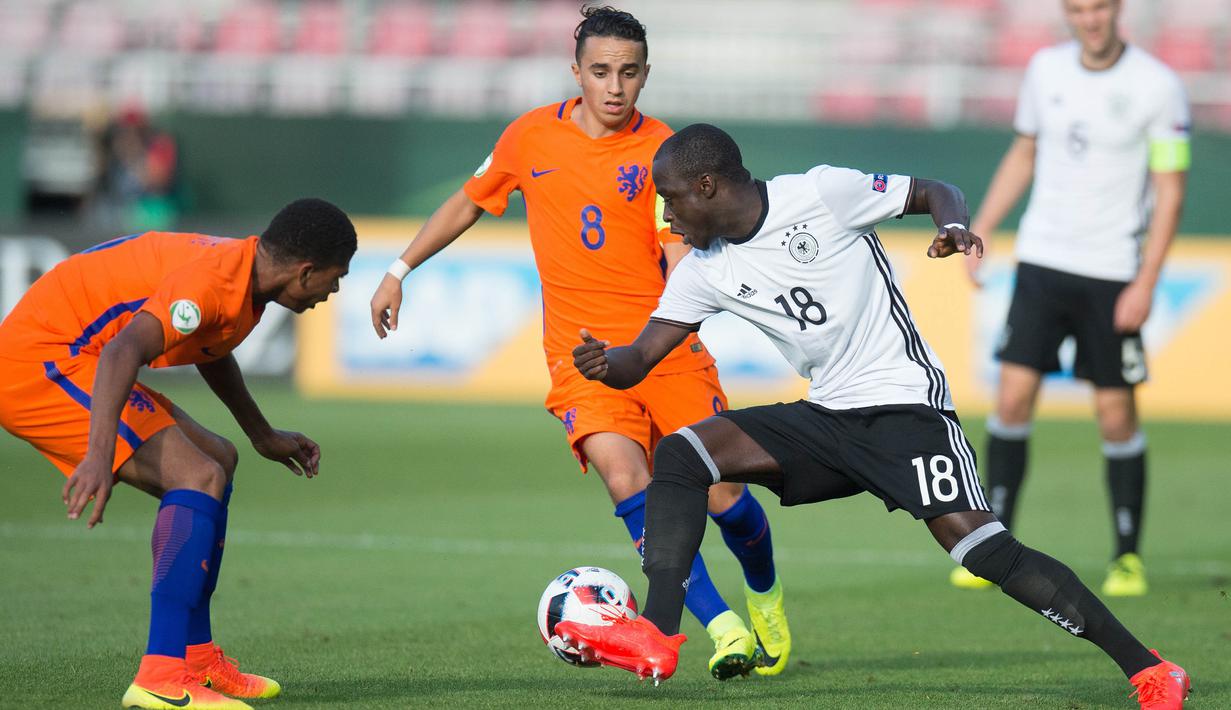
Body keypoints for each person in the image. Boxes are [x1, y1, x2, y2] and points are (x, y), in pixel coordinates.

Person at [557, 124, 1190, 708]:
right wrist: (605, 364)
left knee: (984, 550)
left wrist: (955, 226)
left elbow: (936, 190)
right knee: (683, 454)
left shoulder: (822, 194)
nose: (667, 216)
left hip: (904, 407)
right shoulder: (703, 270)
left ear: (707, 186)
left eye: (671, 200)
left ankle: (1149, 669)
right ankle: (659, 632)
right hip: (827, 415)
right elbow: (642, 356)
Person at [368, 6, 787, 679]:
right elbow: (469, 200)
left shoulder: (666, 152)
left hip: (662, 351)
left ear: (645, 75)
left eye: (627, 73)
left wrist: (684, 309)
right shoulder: (530, 137)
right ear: (576, 73)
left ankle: (763, 593)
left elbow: (679, 254)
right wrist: (398, 270)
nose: (614, 86)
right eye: (600, 72)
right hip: (580, 359)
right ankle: (724, 628)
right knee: (629, 478)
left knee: (724, 498)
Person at [0, 199, 356, 709]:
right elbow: (125, 350)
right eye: (335, 278)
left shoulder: (242, 276)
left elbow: (210, 343)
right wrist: (99, 455)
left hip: (78, 355)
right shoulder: (212, 283)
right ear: (305, 272)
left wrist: (259, 433)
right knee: (199, 475)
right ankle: (160, 676)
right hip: (38, 362)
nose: (334, 291)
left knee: (220, 457)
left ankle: (196, 658)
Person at [952, 0, 1191, 596]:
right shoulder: (1044, 70)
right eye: (1079, 10)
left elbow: (1170, 188)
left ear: (1118, 10)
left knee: (1115, 413)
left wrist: (1147, 281)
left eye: (1100, 8)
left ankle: (1127, 556)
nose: (1090, 20)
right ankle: (992, 542)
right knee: (1012, 398)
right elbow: (1024, 154)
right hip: (1042, 261)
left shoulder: (1158, 86)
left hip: (1113, 271)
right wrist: (981, 228)